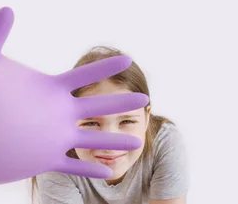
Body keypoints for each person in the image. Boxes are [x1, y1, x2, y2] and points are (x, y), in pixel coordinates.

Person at [31, 46, 189, 204]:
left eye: (126, 121)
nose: (109, 145)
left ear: (147, 117)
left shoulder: (165, 142)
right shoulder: (56, 158)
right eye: (91, 123)